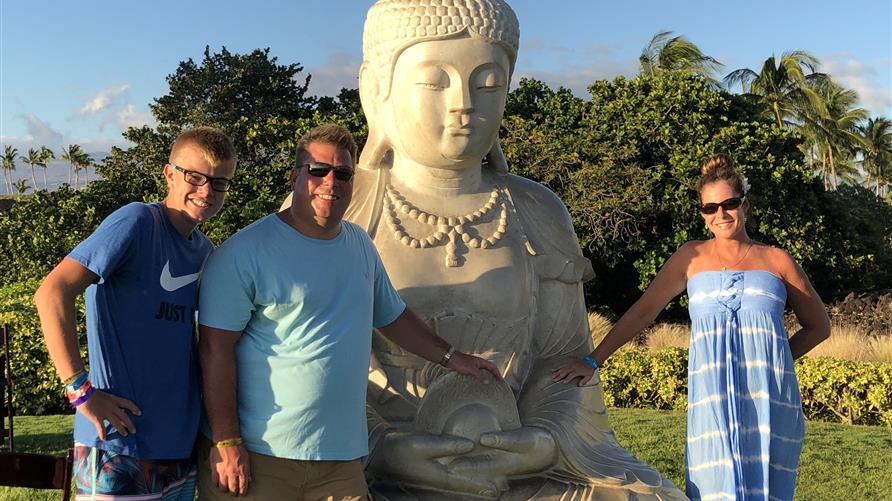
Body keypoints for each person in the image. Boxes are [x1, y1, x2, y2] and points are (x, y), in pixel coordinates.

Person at [291, 1, 685, 499]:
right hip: (373, 464)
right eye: (435, 81)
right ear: (376, 90)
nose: (463, 103)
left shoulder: (536, 209)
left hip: (518, 461)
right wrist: (382, 443)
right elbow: (304, 358)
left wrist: (545, 440)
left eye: (488, 83)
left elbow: (563, 361)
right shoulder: (339, 203)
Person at [197, 123, 501, 500]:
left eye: (342, 173)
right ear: (295, 176)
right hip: (260, 457)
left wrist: (453, 357)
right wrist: (226, 442)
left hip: (340, 460)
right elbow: (214, 350)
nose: (331, 182)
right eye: (318, 170)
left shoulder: (359, 244)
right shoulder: (244, 253)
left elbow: (392, 316)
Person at [553, 153, 831, 501]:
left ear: (745, 205)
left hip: (769, 399)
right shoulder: (691, 257)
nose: (721, 214)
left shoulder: (778, 260)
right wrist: (594, 359)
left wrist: (776, 362)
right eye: (710, 208)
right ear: (702, 214)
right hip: (711, 397)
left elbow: (818, 326)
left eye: (729, 203)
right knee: (715, 488)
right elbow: (644, 312)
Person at [34, 127, 238, 499]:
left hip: (179, 449)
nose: (207, 191)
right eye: (195, 177)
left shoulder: (206, 251)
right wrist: (80, 391)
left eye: (219, 183)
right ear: (169, 173)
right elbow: (51, 293)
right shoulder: (137, 222)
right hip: (118, 444)